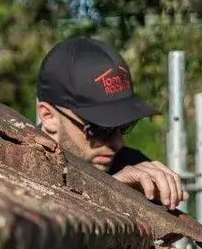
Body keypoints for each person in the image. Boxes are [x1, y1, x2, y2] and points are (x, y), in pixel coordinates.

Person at [35, 37, 186, 210]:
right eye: (99, 128)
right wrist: (110, 191)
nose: (118, 143)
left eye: (124, 126)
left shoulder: (132, 166)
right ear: (49, 117)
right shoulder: (12, 167)